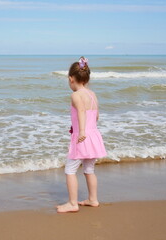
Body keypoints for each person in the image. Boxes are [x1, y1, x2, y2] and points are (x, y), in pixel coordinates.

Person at [56, 56, 107, 213]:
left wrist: (81, 131)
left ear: (71, 78)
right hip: (93, 136)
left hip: (82, 137)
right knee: (89, 169)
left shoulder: (76, 95)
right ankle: (93, 199)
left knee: (70, 170)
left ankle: (72, 203)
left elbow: (82, 113)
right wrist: (85, 130)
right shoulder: (92, 94)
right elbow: (96, 116)